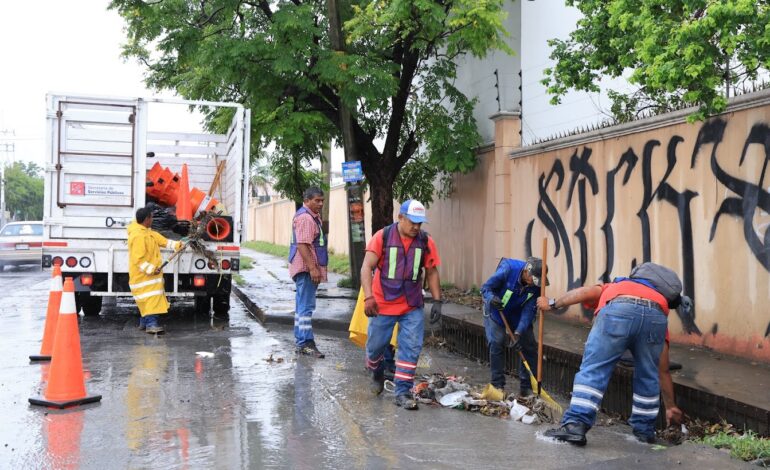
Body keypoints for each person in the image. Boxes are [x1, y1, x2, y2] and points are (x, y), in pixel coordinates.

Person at [537, 262, 688, 446]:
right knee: (648, 374)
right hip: (654, 320)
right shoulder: (658, 304)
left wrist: (552, 303)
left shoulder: (619, 285)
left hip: (618, 309)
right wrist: (671, 406)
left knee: (594, 368)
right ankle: (644, 431)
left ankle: (575, 426)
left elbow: (584, 292)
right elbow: (661, 369)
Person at [361, 200, 442, 410]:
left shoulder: (425, 241)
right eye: (412, 222)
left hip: (411, 304)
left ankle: (403, 392)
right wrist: (368, 297)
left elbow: (432, 272)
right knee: (375, 347)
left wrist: (437, 301)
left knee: (411, 348)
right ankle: (376, 370)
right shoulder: (383, 236)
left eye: (420, 223)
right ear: (401, 217)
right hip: (383, 303)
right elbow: (366, 267)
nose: (416, 227)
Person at [480, 257, 546, 397]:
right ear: (526, 272)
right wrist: (492, 298)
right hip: (496, 311)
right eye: (533, 279)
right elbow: (485, 288)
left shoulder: (536, 286)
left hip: (518, 313)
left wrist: (518, 332)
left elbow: (529, 310)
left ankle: (526, 387)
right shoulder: (508, 269)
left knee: (528, 346)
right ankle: (497, 385)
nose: (534, 283)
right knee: (496, 341)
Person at [127, 206, 183, 334]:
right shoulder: (138, 236)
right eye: (151, 217)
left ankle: (144, 322)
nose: (152, 219)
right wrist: (152, 269)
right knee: (151, 300)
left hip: (148, 275)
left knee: (146, 300)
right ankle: (151, 325)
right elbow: (138, 259)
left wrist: (178, 244)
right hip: (143, 276)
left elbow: (163, 241)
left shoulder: (147, 232)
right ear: (147, 219)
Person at [288, 187, 328, 358]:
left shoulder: (310, 216)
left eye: (322, 200)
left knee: (301, 307)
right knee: (306, 307)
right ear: (307, 200)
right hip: (306, 270)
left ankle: (301, 341)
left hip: (304, 269)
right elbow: (303, 245)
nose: (320, 204)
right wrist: (313, 268)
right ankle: (305, 343)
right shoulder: (305, 218)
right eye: (316, 200)